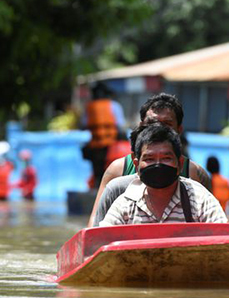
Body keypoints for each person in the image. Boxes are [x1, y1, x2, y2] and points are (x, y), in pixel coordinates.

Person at [87, 93, 212, 227]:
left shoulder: (194, 174)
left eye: (166, 124)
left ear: (179, 130)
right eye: (152, 123)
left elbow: (212, 226)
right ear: (141, 126)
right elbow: (95, 223)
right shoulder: (117, 171)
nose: (157, 129)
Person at [99, 124, 227, 226]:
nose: (158, 165)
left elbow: (224, 242)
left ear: (180, 164)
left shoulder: (199, 200)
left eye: (166, 158)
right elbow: (101, 244)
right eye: (149, 159)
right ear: (136, 165)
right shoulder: (125, 206)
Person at [80, 82, 125, 188]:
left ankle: (97, 193)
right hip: (111, 147)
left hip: (95, 147)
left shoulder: (89, 107)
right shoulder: (114, 105)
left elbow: (83, 125)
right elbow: (120, 125)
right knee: (111, 173)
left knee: (97, 174)